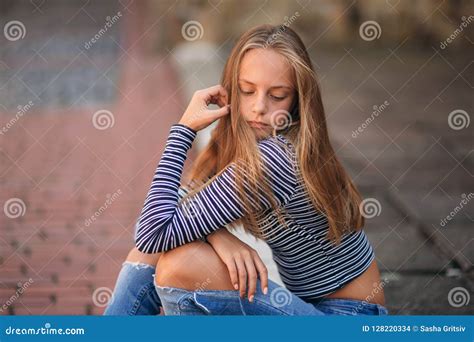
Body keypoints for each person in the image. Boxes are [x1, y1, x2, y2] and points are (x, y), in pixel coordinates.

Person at [104, 24, 388, 316]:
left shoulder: (278, 158)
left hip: (348, 318)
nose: (258, 108)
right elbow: (164, 218)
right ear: (230, 90)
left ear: (298, 101)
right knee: (155, 252)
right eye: (247, 90)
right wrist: (219, 236)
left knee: (180, 265)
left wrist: (183, 130)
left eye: (277, 95)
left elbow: (153, 232)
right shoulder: (244, 143)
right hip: (309, 309)